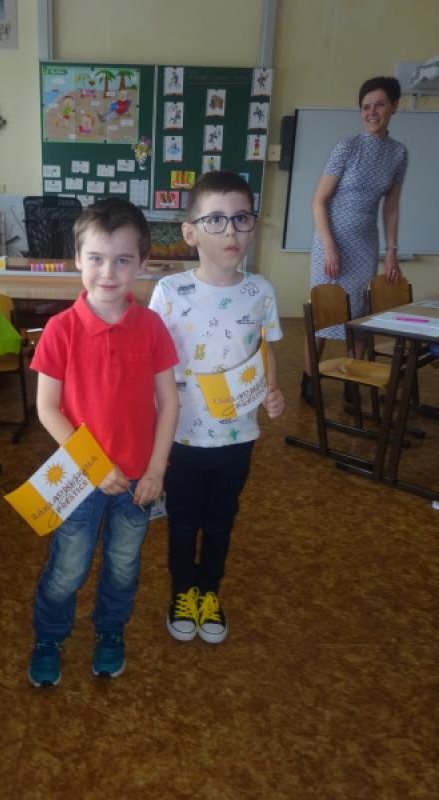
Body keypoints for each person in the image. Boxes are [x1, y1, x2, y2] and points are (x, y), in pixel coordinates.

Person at [28, 198, 179, 686]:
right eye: (96, 258)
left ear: (142, 262)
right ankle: (49, 637)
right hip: (80, 479)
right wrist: (93, 464)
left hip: (137, 482)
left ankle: (110, 631)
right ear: (77, 258)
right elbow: (47, 409)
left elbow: (169, 403)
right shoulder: (60, 329)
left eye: (122, 259)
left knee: (123, 565)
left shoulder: (152, 326)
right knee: (68, 568)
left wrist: (156, 470)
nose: (108, 272)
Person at [149, 171, 285, 644]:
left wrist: (273, 388)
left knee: (221, 521)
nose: (230, 231)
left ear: (253, 225)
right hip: (181, 436)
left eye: (241, 218)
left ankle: (209, 591)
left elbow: (266, 349)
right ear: (190, 233)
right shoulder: (169, 292)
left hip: (237, 437)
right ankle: (182, 592)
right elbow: (152, 364)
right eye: (216, 220)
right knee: (184, 522)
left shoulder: (261, 291)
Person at [302, 76, 408, 405]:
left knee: (360, 314)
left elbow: (391, 206)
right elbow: (318, 201)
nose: (372, 112)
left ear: (394, 107)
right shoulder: (347, 147)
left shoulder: (398, 153)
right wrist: (330, 247)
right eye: (365, 107)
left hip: (365, 245)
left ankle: (353, 378)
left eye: (379, 105)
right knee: (324, 311)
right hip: (330, 241)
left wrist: (392, 251)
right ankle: (310, 378)